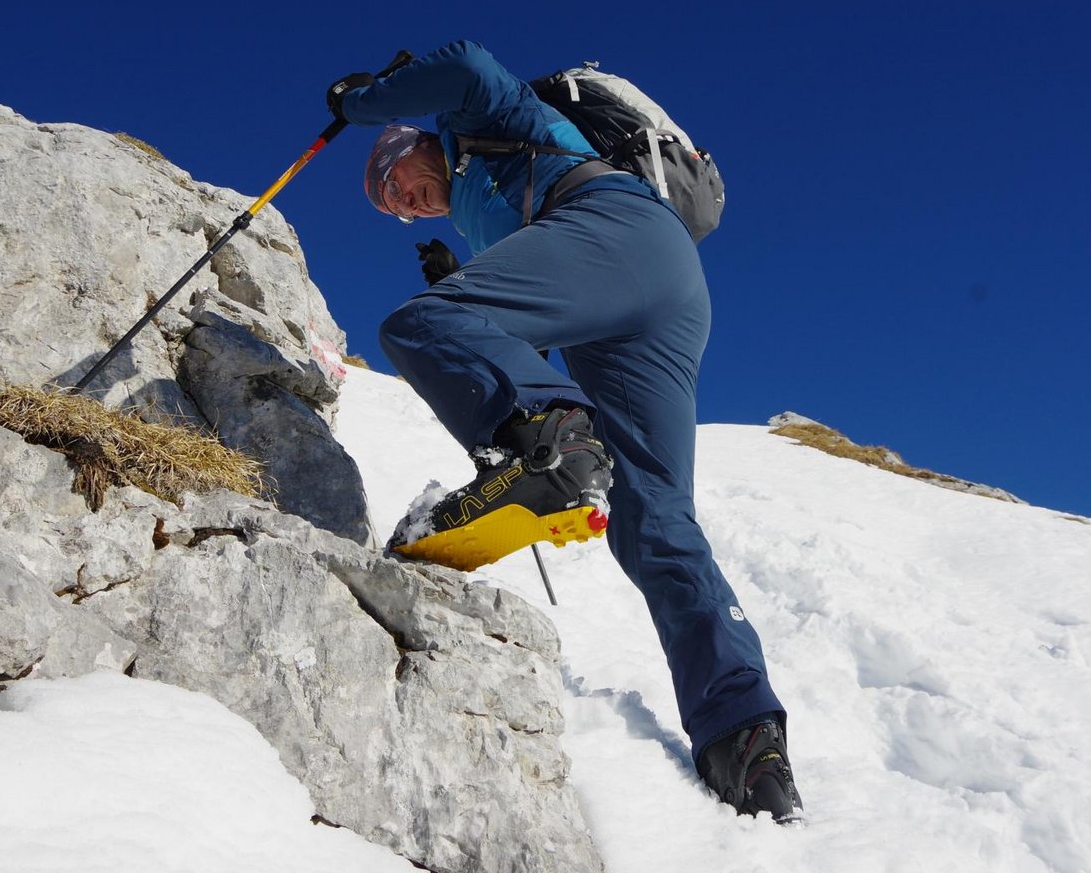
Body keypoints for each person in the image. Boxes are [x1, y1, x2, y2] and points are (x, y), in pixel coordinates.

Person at [326, 40, 803, 823]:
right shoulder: (483, 214)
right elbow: (535, 334)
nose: (401, 202)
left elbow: (465, 64)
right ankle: (744, 740)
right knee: (653, 520)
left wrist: (359, 103)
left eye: (392, 180)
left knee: (419, 325)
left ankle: (553, 455)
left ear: (414, 143)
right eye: (391, 208)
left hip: (616, 227)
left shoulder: (476, 121)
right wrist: (473, 292)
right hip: (654, 290)